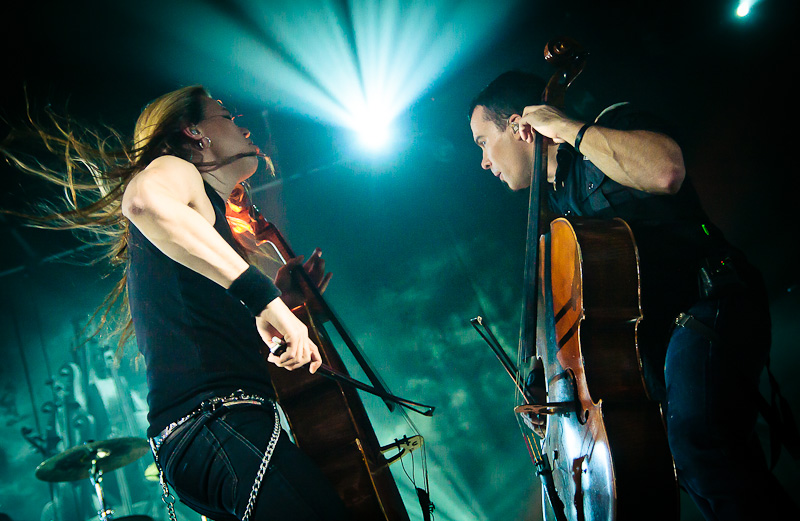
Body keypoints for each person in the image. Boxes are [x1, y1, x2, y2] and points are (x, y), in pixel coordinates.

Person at [2, 86, 348, 521]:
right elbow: (144, 202)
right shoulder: (176, 170)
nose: (242, 125)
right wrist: (267, 301)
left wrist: (283, 302)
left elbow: (209, 329)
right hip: (218, 425)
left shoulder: (206, 224)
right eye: (227, 114)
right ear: (194, 132)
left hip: (211, 435)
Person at [468, 70, 796, 519]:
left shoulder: (609, 129)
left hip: (710, 303)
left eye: (483, 141)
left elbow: (667, 171)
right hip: (663, 340)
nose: (484, 161)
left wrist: (563, 127)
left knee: (699, 441)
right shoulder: (562, 207)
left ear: (519, 125)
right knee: (696, 465)